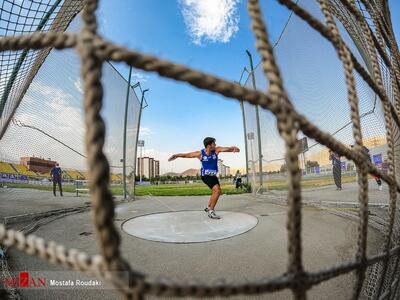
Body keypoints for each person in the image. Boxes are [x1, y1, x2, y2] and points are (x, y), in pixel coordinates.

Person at [168, 137, 240, 219]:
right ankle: (211, 211)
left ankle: (209, 207)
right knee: (217, 190)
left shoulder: (216, 150)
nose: (215, 145)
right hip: (205, 176)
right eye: (214, 144)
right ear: (209, 145)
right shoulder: (200, 154)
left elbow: (226, 149)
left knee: (217, 191)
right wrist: (176, 155)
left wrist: (233, 148)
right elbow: (187, 155)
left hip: (213, 176)